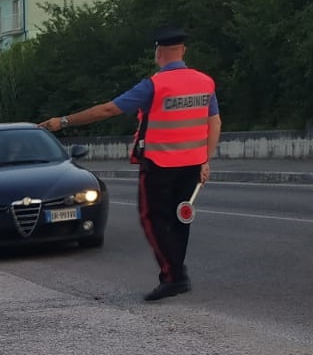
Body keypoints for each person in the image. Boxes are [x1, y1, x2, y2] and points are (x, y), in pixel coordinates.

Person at [40, 26, 221, 301]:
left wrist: (63, 121)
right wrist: (206, 160)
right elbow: (214, 122)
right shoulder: (205, 82)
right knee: (180, 218)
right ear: (183, 50)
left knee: (152, 219)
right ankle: (175, 273)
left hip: (160, 164)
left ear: (159, 53)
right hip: (193, 165)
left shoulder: (155, 85)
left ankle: (174, 277)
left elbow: (108, 109)